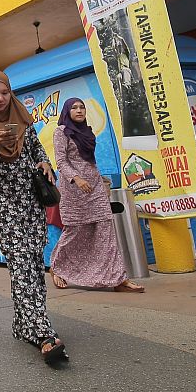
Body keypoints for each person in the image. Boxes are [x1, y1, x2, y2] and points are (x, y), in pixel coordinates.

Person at [0, 70, 68, 365]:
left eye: (4, 93)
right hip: (2, 201)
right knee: (21, 262)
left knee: (33, 261)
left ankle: (23, 325)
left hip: (30, 198)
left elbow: (36, 150)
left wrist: (45, 162)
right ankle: (42, 333)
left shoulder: (20, 116)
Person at [50, 98, 145, 293]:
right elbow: (61, 161)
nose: (79, 110)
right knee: (75, 231)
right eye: (74, 108)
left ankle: (118, 279)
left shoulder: (87, 131)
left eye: (82, 107)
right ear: (67, 112)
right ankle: (57, 267)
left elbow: (90, 162)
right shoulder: (61, 132)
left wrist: (98, 181)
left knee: (105, 230)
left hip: (95, 187)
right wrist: (77, 178)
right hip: (74, 189)